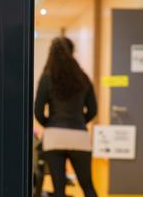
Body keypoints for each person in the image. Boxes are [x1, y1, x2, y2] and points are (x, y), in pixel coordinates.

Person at [35, 37, 98, 197]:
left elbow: (38, 110)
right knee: (87, 186)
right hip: (79, 137)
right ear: (72, 53)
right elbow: (93, 109)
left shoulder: (47, 76)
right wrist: (79, 122)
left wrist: (49, 124)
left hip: (54, 137)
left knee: (59, 190)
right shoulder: (82, 77)